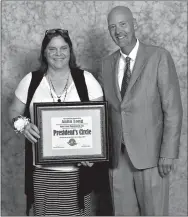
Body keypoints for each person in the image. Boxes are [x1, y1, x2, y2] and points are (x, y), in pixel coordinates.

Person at [8, 29, 105, 216]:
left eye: (63, 48)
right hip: (42, 173)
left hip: (77, 174)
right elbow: (13, 111)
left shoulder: (87, 81)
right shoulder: (31, 81)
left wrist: (94, 152)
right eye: (52, 49)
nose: (58, 53)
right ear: (44, 52)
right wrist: (23, 125)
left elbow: (101, 121)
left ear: (70, 51)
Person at [98, 6, 183, 216]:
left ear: (135, 24)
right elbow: (103, 112)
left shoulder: (159, 56)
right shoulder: (106, 64)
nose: (118, 31)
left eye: (123, 24)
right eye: (112, 27)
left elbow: (173, 109)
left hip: (152, 156)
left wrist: (168, 153)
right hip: (118, 158)